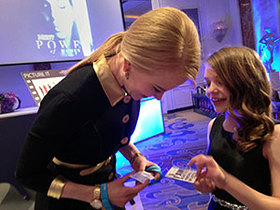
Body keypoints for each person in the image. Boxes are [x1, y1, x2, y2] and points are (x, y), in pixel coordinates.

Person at [16, 7, 201, 210]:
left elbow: (107, 133)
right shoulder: (68, 99)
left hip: (108, 187)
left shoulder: (129, 82)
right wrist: (97, 194)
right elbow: (27, 174)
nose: (158, 98)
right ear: (129, 64)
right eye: (157, 89)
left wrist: (135, 157)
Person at [188, 46, 280, 209]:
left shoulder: (273, 134)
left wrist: (225, 180)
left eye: (220, 82)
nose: (210, 90)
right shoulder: (213, 126)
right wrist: (209, 184)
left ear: (245, 83)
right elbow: (218, 189)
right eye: (208, 83)